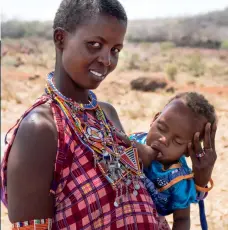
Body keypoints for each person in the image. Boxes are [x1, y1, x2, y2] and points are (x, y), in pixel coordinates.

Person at [0, 0, 216, 229]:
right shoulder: (41, 128)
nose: (107, 59)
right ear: (60, 39)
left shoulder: (107, 114)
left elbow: (159, 192)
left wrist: (200, 180)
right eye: (94, 44)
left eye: (115, 50)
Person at [128, 92, 217, 230]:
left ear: (189, 150)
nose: (163, 140)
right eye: (161, 128)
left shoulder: (179, 180)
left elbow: (182, 219)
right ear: (154, 120)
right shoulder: (135, 139)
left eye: (177, 141)